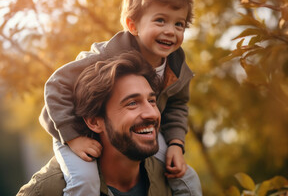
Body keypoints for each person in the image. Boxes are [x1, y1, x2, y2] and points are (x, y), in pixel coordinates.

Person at [39, 0, 202, 195]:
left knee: (186, 178)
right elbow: (56, 85)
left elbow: (178, 106)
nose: (171, 31)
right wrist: (73, 138)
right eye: (160, 21)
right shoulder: (106, 56)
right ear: (132, 25)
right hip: (73, 128)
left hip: (135, 129)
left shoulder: (176, 66)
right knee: (85, 182)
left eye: (179, 24)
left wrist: (175, 144)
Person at [17, 52, 173, 195]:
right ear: (94, 121)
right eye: (132, 103)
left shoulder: (172, 180)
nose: (151, 113)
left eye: (152, 101)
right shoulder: (46, 191)